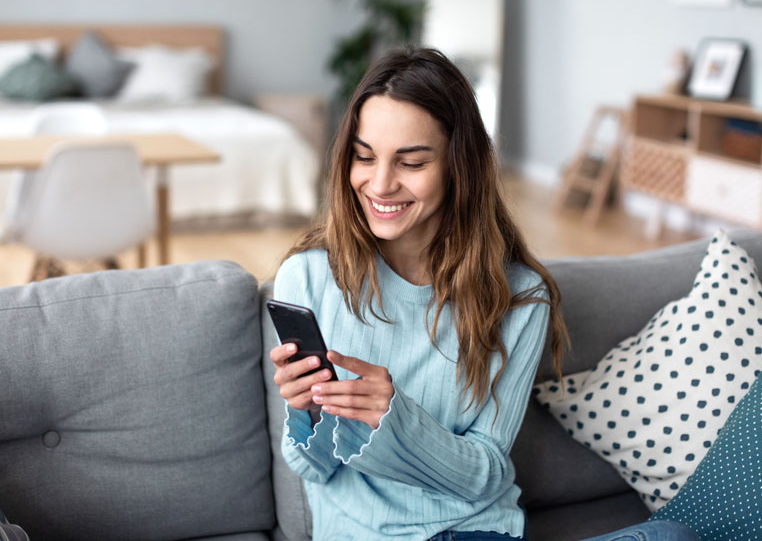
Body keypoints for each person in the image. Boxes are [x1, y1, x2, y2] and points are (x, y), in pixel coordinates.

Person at [270, 47, 698, 541]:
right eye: (364, 157)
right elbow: (314, 470)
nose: (380, 184)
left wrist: (398, 421)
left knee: (672, 536)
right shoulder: (308, 278)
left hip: (477, 531)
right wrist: (305, 413)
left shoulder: (519, 296)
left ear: (459, 164)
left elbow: (484, 474)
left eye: (410, 162)